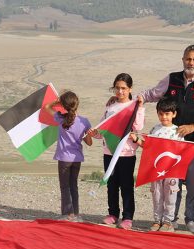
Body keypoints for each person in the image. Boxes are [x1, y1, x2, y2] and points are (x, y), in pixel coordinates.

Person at [137, 44, 194, 235]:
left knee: (192, 184)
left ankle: (191, 219)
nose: (191, 63)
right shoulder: (171, 78)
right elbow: (153, 94)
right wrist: (137, 99)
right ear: (183, 59)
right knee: (170, 182)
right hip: (170, 144)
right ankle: (170, 220)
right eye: (188, 59)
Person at [96, 73, 145, 231]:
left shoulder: (134, 106)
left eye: (123, 88)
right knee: (112, 184)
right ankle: (113, 214)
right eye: (117, 88)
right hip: (109, 151)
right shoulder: (110, 106)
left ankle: (128, 216)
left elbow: (138, 127)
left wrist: (141, 107)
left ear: (130, 88)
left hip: (126, 153)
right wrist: (94, 133)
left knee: (126, 185)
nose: (120, 91)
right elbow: (104, 126)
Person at [135, 97, 185, 233]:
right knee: (157, 195)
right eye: (161, 114)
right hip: (156, 170)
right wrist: (137, 140)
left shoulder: (179, 132)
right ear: (158, 114)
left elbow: (184, 150)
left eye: (167, 114)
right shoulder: (154, 130)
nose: (164, 117)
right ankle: (157, 220)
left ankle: (168, 222)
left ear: (174, 114)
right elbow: (147, 146)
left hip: (172, 171)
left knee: (170, 195)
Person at [42, 91, 92, 222]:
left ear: (64, 106)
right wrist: (89, 134)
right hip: (77, 159)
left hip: (64, 159)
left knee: (65, 187)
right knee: (73, 186)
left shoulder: (61, 119)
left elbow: (47, 107)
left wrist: (56, 101)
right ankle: (75, 214)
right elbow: (89, 143)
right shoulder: (85, 122)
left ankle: (67, 214)